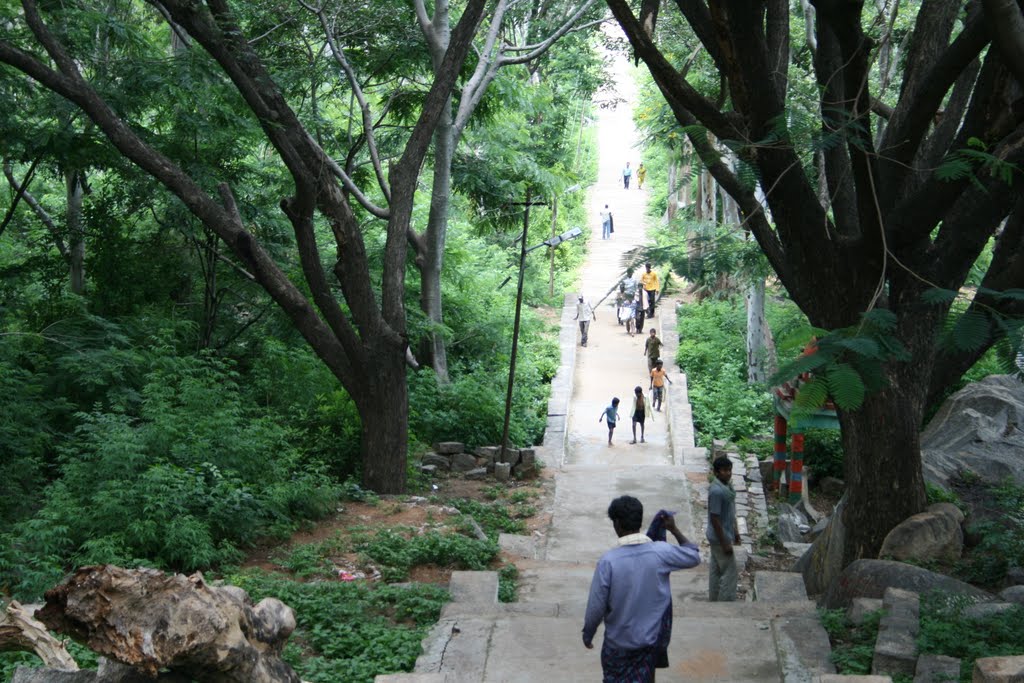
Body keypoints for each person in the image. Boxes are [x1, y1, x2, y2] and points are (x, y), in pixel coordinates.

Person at [582, 496, 700, 682]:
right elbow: (693, 555)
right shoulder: (661, 552)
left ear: (617, 524)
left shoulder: (608, 562)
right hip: (648, 644)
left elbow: (596, 606)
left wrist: (588, 633)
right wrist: (674, 529)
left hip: (617, 647)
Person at [707, 456, 741, 602]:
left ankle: (714, 598)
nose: (728, 473)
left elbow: (729, 512)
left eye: (729, 470)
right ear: (716, 472)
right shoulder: (716, 491)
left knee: (716, 568)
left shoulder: (726, 487)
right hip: (719, 538)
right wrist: (725, 542)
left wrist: (735, 531)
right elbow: (715, 518)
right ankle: (726, 602)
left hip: (724, 535)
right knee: (730, 571)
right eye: (725, 470)